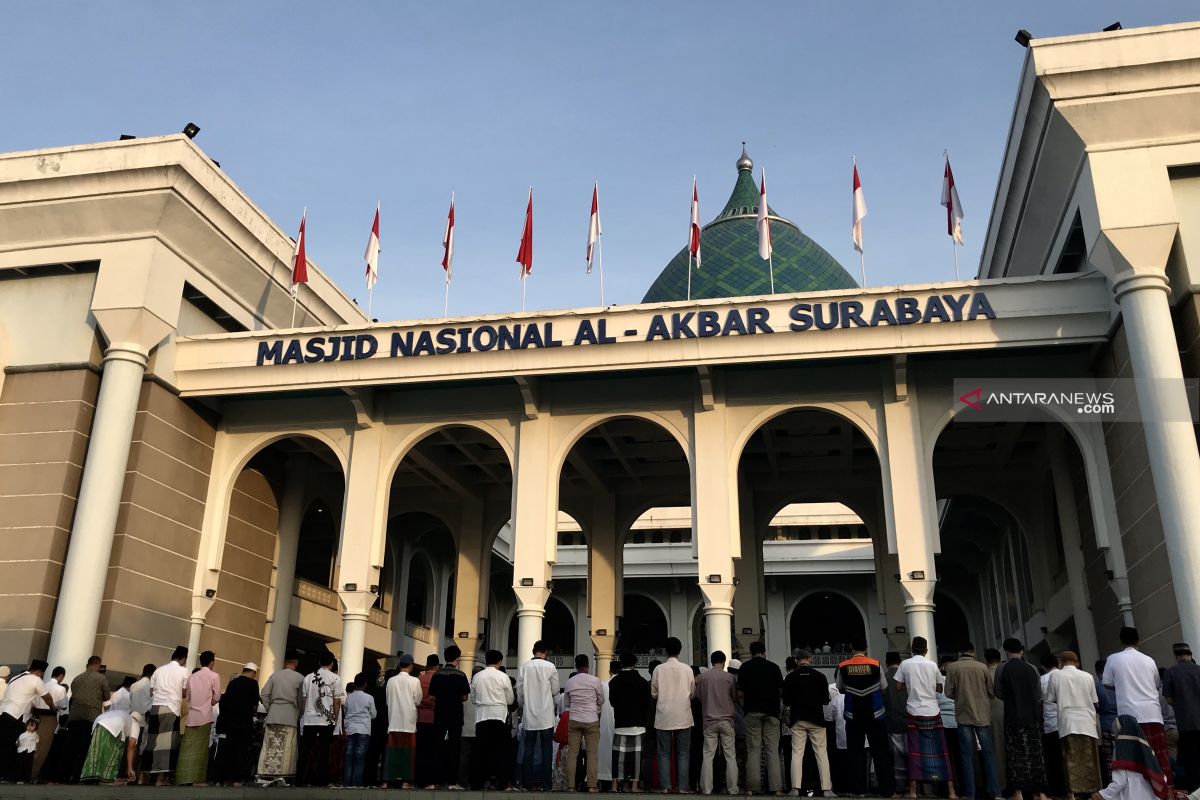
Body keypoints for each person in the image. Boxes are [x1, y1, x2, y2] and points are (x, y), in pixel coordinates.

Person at [1103, 627, 1173, 791]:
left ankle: (1140, 792)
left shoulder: (1113, 659)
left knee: (1134, 758)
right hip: (1153, 714)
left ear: (1120, 641)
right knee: (1159, 755)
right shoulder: (1149, 660)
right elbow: (1156, 685)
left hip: (1129, 716)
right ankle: (1166, 790)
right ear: (1138, 641)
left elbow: (1107, 683)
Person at [894, 636, 957, 800]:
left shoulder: (905, 664)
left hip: (914, 711)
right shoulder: (932, 665)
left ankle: (914, 791)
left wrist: (910, 685)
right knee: (941, 751)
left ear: (911, 650)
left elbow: (898, 685)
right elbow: (939, 687)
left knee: (915, 751)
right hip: (933, 711)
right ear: (926, 650)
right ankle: (951, 791)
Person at [836, 637, 896, 798]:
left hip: (853, 714)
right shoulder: (875, 664)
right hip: (875, 713)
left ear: (851, 647)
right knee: (881, 752)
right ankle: (887, 790)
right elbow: (883, 687)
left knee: (855, 753)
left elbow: (840, 688)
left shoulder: (843, 666)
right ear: (866, 648)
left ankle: (859, 790)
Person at [944, 642, 1001, 800]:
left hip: (963, 715)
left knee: (966, 755)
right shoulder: (982, 667)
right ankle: (995, 792)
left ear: (960, 653)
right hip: (982, 715)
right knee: (989, 754)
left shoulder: (953, 668)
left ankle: (970, 793)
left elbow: (948, 693)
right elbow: (991, 692)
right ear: (972, 652)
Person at [995, 638, 1048, 800]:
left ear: (1006, 651)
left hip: (1012, 716)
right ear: (1022, 651)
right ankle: (1040, 792)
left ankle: (1017, 792)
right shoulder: (1031, 668)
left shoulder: (1002, 668)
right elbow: (1039, 694)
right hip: (1032, 716)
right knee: (1035, 753)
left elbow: (998, 692)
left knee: (1015, 754)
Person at [1045, 650, 1102, 797]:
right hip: (1087, 722)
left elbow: (1051, 698)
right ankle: (1093, 793)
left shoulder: (1055, 675)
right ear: (1077, 663)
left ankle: (1072, 795)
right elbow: (1095, 701)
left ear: (1061, 662)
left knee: (1070, 759)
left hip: (1067, 722)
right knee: (1090, 760)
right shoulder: (1088, 676)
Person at [784, 649, 833, 797]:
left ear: (797, 660)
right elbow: (826, 699)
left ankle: (795, 788)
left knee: (797, 753)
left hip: (798, 719)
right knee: (821, 754)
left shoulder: (790, 677)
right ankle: (827, 789)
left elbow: (786, 701)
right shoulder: (820, 676)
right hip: (816, 719)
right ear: (810, 659)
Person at [738, 640, 785, 795]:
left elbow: (740, 692)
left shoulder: (745, 667)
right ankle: (776, 788)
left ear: (751, 653)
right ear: (764, 652)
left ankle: (752, 788)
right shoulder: (774, 667)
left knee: (753, 750)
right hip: (772, 713)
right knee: (772, 750)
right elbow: (780, 690)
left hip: (752, 712)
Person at [651, 636, 695, 793]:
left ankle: (666, 787)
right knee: (683, 754)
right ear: (680, 650)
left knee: (663, 753)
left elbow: (654, 694)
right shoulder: (687, 669)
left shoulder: (658, 669)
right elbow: (692, 693)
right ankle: (683, 787)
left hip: (663, 716)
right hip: (683, 715)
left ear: (665, 651)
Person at [0, 659, 55, 781]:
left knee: (2, 744)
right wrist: (52, 707)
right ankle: (7, 774)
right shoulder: (36, 680)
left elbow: (21, 696)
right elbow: (47, 697)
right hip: (16, 716)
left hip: (3, 713)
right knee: (13, 746)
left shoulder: (15, 677)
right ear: (40, 672)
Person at [1091, 715, 1170, 800]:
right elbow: (1159, 778)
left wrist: (1102, 794)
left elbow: (1120, 782)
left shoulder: (1122, 751)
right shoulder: (1146, 750)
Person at [518, 640, 561, 791]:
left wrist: (522, 705)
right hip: (546, 716)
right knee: (546, 751)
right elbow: (555, 690)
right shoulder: (550, 666)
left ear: (533, 651)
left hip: (529, 715)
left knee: (528, 750)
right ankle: (546, 784)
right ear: (546, 652)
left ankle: (527, 784)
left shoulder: (524, 667)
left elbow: (520, 692)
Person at [142, 645, 189, 785]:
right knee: (167, 744)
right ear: (183, 658)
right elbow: (185, 692)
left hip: (155, 707)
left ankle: (145, 776)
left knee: (152, 742)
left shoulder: (158, 670)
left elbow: (151, 691)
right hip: (171, 708)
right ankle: (161, 778)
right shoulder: (184, 671)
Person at [257, 650, 303, 786]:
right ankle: (284, 775)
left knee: (270, 746)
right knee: (287, 747)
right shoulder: (300, 678)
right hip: (289, 714)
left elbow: (264, 694)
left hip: (274, 713)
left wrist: (270, 708)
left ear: (284, 662)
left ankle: (267, 774)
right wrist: (298, 713)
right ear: (296, 663)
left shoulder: (275, 675)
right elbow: (301, 700)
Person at [299, 650, 345, 787]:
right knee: (324, 751)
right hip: (327, 720)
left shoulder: (308, 677)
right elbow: (337, 701)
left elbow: (304, 699)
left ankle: (301, 779)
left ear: (319, 662)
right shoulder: (335, 678)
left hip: (309, 719)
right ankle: (322, 780)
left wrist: (305, 713)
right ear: (331, 663)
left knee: (306, 751)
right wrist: (335, 719)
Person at [472, 649, 516, 789]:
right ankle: (500, 782)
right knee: (501, 751)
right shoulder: (503, 677)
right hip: (499, 716)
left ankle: (480, 782)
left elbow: (473, 698)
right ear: (500, 662)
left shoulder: (477, 676)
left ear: (486, 661)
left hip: (482, 716)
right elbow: (510, 699)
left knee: (481, 751)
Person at [176, 650, 221, 786]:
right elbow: (217, 696)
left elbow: (188, 697)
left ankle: (182, 778)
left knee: (187, 748)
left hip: (192, 716)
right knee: (201, 749)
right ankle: (198, 780)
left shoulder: (192, 676)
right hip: (205, 715)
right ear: (212, 662)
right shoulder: (214, 676)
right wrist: (211, 703)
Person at [697, 650, 738, 795]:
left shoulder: (703, 677)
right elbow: (734, 697)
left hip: (709, 721)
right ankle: (733, 789)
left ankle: (706, 788)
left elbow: (700, 697)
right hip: (727, 720)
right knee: (730, 756)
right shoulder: (729, 677)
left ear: (711, 661)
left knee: (708, 755)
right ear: (724, 661)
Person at [610, 650, 651, 792]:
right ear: (635, 664)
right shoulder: (643, 682)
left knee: (618, 755)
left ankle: (615, 784)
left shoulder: (614, 681)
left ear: (621, 663)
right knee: (636, 757)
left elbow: (612, 702)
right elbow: (647, 704)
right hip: (638, 724)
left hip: (620, 723)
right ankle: (634, 785)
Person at [430, 645, 470, 789]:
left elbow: (431, 696)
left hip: (440, 715)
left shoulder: (437, 675)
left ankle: (437, 781)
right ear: (457, 659)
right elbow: (465, 696)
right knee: (454, 748)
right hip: (455, 716)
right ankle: (452, 782)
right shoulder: (461, 676)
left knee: (438, 747)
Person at [564, 653, 606, 792]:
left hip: (575, 719)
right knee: (591, 754)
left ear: (576, 666)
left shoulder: (570, 682)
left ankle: (571, 786)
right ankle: (592, 786)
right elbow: (601, 700)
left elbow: (567, 703)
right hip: (591, 720)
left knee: (572, 754)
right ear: (588, 665)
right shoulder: (595, 680)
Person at [67, 654, 111, 782]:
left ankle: (66, 774)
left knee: (71, 746)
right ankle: (78, 775)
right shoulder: (100, 678)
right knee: (84, 746)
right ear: (97, 664)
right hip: (90, 716)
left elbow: (74, 696)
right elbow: (107, 696)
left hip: (74, 716)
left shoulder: (76, 678)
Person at [1162, 642, 1200, 791]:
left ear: (1176, 656)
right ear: (1190, 655)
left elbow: (1168, 698)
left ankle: (1195, 791)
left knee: (1191, 761)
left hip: (1185, 724)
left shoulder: (1171, 672)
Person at [215, 662, 259, 786]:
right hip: (245, 723)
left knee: (229, 750)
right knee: (241, 750)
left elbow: (227, 700)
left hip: (230, 723)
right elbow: (255, 702)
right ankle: (236, 779)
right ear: (253, 673)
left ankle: (223, 778)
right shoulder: (253, 683)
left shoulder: (232, 683)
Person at [384, 654, 424, 788]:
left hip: (393, 720)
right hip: (409, 722)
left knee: (393, 751)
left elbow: (387, 700)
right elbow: (418, 700)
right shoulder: (415, 681)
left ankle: (390, 779)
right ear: (411, 666)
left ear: (400, 665)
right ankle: (406, 781)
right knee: (408, 753)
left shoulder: (391, 681)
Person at [81, 708, 142, 784]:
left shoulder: (124, 714)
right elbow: (131, 746)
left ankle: (89, 776)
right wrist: (130, 768)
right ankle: (106, 777)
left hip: (99, 722)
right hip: (115, 726)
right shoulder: (135, 723)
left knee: (96, 751)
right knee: (114, 751)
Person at [29, 664, 67, 782]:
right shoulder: (60, 689)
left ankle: (27, 772)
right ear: (61, 676)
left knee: (33, 745)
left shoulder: (42, 684)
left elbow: (33, 702)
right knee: (44, 748)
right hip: (49, 719)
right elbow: (64, 706)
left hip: (36, 718)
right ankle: (35, 776)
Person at [340, 673, 377, 787]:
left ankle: (347, 782)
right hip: (363, 729)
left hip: (350, 729)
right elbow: (374, 714)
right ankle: (357, 783)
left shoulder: (349, 697)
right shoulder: (369, 698)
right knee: (360, 757)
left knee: (349, 756)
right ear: (365, 684)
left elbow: (346, 712)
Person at [1040, 652, 1066, 798]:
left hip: (1050, 724)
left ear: (1043, 666)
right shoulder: (1065, 677)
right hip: (1067, 723)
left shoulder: (1042, 680)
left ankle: (1058, 790)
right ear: (1057, 663)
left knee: (1054, 760)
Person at [883, 650, 910, 790]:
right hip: (908, 720)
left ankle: (899, 786)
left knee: (897, 756)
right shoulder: (906, 676)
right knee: (911, 753)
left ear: (887, 663)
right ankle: (914, 786)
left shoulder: (884, 677)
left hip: (891, 721)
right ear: (900, 662)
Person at [414, 653, 439, 788]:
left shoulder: (419, 679)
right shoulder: (437, 678)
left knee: (420, 750)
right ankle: (430, 781)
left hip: (420, 717)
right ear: (436, 666)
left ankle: (418, 779)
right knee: (432, 751)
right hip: (434, 717)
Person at [986, 648, 1008, 786]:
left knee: (995, 751)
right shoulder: (1005, 671)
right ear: (1000, 659)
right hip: (1009, 712)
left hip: (991, 715)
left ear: (986, 661)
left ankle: (999, 783)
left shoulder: (984, 673)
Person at [15, 718, 38, 783]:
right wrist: (18, 743)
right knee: (20, 765)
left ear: (36, 727)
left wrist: (35, 751)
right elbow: (17, 742)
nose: (30, 727)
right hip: (22, 751)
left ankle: (26, 779)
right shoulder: (23, 735)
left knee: (28, 766)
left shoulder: (36, 735)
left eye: (32, 726)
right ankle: (18, 779)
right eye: (28, 725)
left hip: (30, 752)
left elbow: (35, 743)